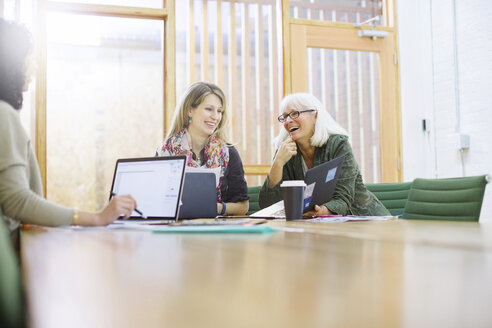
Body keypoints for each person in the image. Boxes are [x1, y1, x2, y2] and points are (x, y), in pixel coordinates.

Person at [0, 18, 137, 240]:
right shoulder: (4, 114)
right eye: (28, 57)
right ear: (11, 63)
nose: (34, 65)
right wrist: (96, 217)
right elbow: (18, 202)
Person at [258, 92, 390, 217]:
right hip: (315, 226)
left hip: (364, 220)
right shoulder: (286, 151)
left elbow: (343, 199)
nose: (288, 121)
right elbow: (268, 206)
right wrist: (277, 163)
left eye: (294, 114)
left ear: (315, 116)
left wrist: (321, 211)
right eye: (285, 117)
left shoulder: (338, 145)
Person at [156, 82, 249, 215]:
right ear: (189, 110)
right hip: (177, 229)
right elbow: (157, 201)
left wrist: (215, 208)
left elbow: (243, 207)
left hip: (216, 230)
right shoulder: (165, 152)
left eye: (219, 111)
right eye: (209, 109)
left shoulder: (229, 153)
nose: (215, 117)